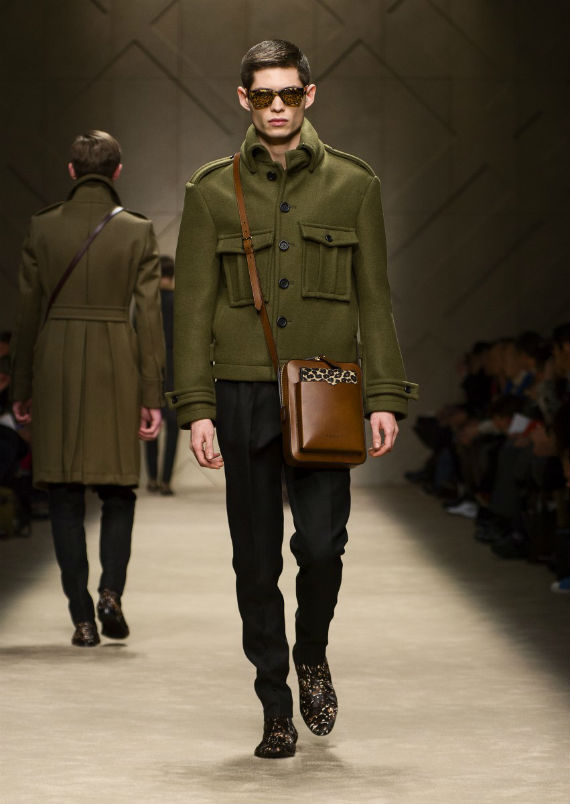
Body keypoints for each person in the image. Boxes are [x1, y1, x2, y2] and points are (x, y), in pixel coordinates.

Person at [168, 40, 418, 758]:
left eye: (288, 93)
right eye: (262, 95)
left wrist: (383, 395)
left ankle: (312, 652)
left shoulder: (354, 185)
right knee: (255, 559)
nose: (276, 107)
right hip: (242, 391)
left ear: (310, 94)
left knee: (322, 546)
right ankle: (275, 703)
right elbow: (192, 310)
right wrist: (197, 407)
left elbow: (375, 299)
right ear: (242, 99)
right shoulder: (210, 191)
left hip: (327, 391)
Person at [11, 130, 165, 647]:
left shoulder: (43, 226)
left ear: (71, 171)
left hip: (54, 361)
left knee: (63, 493)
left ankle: (81, 617)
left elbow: (27, 316)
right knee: (118, 489)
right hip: (116, 362)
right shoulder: (138, 231)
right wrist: (151, 394)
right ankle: (110, 594)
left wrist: (21, 384)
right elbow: (149, 319)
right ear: (117, 171)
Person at [145, 255, 179, 495]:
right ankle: (166, 481)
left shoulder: (149, 303)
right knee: (173, 427)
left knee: (151, 425)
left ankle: (152, 479)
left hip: (152, 367)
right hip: (175, 368)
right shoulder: (180, 301)